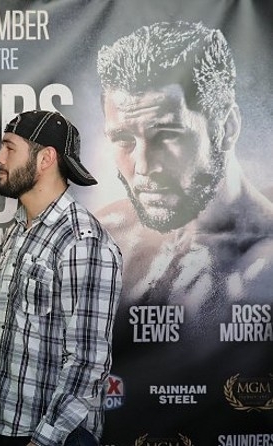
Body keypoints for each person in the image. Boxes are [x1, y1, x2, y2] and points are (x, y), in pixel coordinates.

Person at [95, 21, 273, 441]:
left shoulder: (265, 256)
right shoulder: (106, 237)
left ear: (226, 128)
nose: (143, 166)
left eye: (167, 134)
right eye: (124, 139)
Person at [0, 110, 123, 446]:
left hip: (55, 437)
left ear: (45, 159)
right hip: (5, 427)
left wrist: (44, 441)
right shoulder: (19, 230)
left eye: (10, 148)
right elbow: (6, 338)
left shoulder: (82, 240)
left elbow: (87, 361)